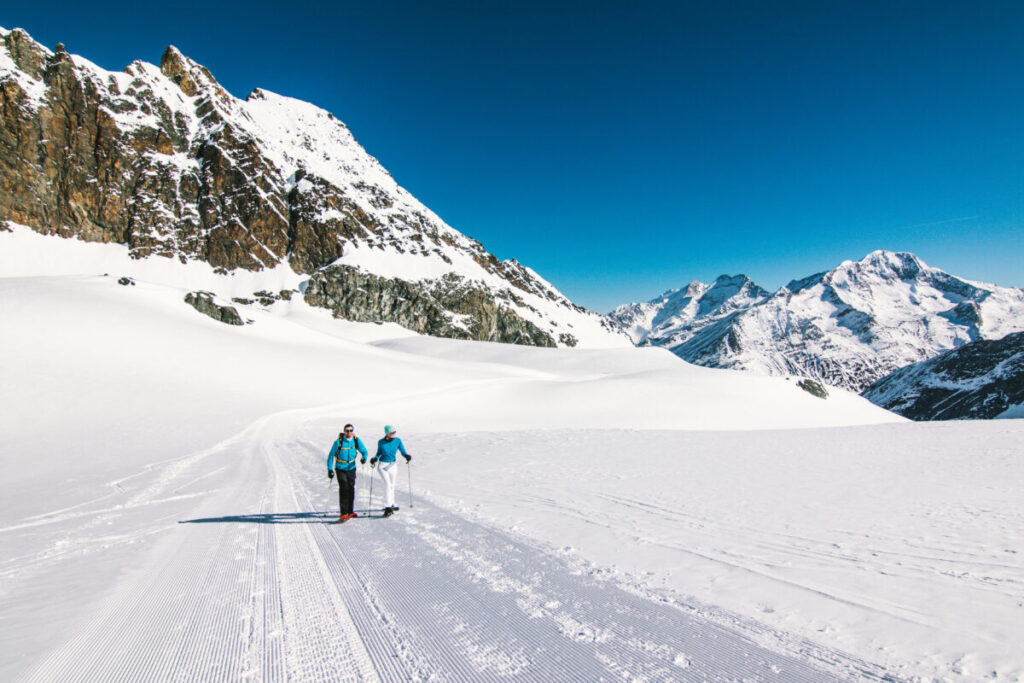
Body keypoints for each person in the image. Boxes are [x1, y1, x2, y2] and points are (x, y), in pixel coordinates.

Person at [327, 424, 368, 523]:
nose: (349, 432)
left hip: (351, 468)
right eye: (347, 430)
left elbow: (364, 451)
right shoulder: (338, 442)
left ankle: (350, 511)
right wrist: (330, 469)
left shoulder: (356, 440)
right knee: (344, 488)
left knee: (351, 488)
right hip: (340, 468)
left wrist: (364, 458)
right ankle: (344, 513)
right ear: (344, 431)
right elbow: (331, 456)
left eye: (351, 430)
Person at [370, 424, 411, 517]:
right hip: (382, 466)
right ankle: (387, 507)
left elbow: (402, 451)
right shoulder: (381, 442)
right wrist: (375, 459)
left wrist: (406, 456)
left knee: (392, 485)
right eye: (392, 432)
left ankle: (392, 503)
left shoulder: (397, 441)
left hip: (393, 465)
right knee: (388, 484)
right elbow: (378, 453)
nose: (394, 434)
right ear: (387, 433)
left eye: (394, 432)